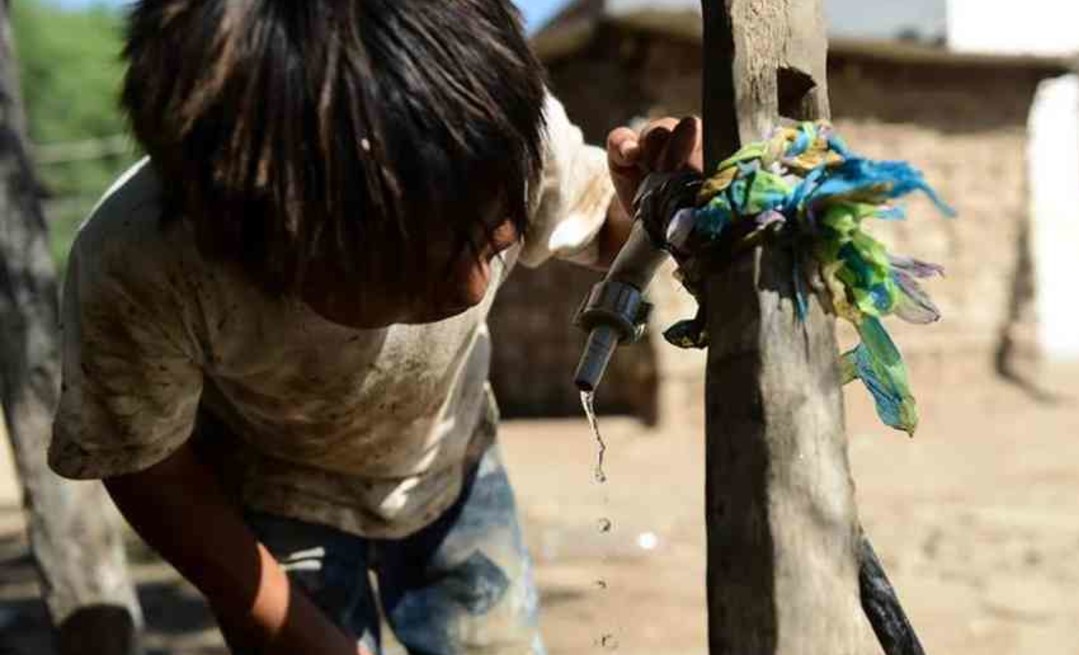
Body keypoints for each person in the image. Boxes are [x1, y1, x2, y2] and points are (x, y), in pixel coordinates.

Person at [47, 1, 701, 653]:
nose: (474, 287)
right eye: (416, 266)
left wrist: (646, 201)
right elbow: (148, 469)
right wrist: (301, 633)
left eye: (491, 238)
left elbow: (607, 235)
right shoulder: (144, 261)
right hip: (273, 493)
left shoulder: (499, 130)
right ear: (272, 244)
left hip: (453, 467)